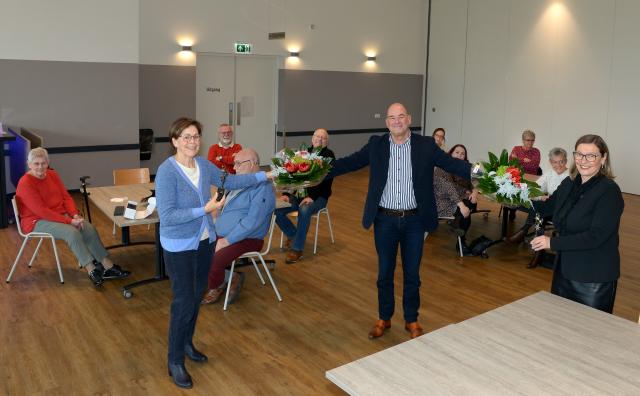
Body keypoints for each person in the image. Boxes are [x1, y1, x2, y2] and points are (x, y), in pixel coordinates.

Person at [329, 103, 471, 340]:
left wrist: (481, 172)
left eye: (401, 116)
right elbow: (349, 163)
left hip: (415, 221)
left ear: (409, 119)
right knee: (384, 273)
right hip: (385, 220)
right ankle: (384, 317)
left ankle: (411, 319)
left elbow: (453, 165)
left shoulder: (425, 145)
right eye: (392, 118)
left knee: (412, 274)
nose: (396, 121)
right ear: (387, 122)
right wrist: (317, 170)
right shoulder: (376, 145)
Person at [155, 117, 269, 389]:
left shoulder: (203, 165)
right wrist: (204, 210)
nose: (192, 142)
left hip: (205, 241)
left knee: (196, 297)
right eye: (186, 137)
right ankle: (174, 360)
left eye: (196, 137)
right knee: (182, 302)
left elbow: (230, 181)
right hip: (180, 246)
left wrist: (266, 175)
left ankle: (187, 343)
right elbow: (168, 216)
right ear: (174, 141)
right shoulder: (166, 172)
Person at [531, 134, 624, 313]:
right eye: (579, 154)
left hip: (593, 277)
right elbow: (546, 207)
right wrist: (511, 194)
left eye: (591, 155)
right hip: (564, 271)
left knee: (589, 335)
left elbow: (595, 236)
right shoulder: (569, 183)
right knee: (560, 329)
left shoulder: (609, 191)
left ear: (603, 158)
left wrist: (552, 242)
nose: (584, 160)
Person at [15, 147, 130, 287]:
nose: (40, 167)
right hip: (36, 221)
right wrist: (69, 221)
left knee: (88, 228)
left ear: (48, 162)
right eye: (36, 164)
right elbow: (42, 211)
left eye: (43, 163)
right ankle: (91, 270)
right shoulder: (25, 182)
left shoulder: (52, 175)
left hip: (57, 215)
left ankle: (108, 267)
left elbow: (66, 197)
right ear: (29, 164)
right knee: (71, 232)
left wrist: (75, 215)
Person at [201, 148, 275, 305]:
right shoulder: (234, 183)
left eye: (239, 164)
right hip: (223, 234)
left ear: (253, 164)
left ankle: (216, 286)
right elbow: (219, 208)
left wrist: (225, 241)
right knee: (196, 251)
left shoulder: (263, 187)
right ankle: (231, 276)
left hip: (248, 238)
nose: (234, 168)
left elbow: (252, 222)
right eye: (234, 164)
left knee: (213, 259)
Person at [275, 128, 335, 264]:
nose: (319, 139)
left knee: (305, 210)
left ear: (327, 141)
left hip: (319, 197)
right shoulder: (302, 153)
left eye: (323, 138)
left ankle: (297, 248)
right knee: (276, 209)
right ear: (312, 138)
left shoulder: (328, 156)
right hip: (298, 194)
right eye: (316, 136)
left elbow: (324, 181)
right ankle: (294, 235)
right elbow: (293, 175)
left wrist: (312, 197)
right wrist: (286, 194)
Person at [505, 147, 570, 248]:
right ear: (550, 162)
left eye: (561, 161)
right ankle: (536, 243)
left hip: (562, 208)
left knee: (537, 207)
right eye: (555, 162)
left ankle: (525, 232)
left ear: (566, 161)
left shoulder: (571, 175)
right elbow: (534, 188)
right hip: (547, 206)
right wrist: (540, 196)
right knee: (537, 207)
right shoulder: (549, 173)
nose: (558, 165)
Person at [433, 144, 479, 255]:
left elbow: (477, 176)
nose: (459, 155)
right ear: (451, 154)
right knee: (465, 210)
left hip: (460, 198)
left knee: (470, 204)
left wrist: (475, 192)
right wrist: (461, 205)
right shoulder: (441, 167)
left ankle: (457, 224)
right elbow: (449, 188)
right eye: (457, 152)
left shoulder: (466, 167)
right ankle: (461, 243)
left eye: (462, 154)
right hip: (443, 201)